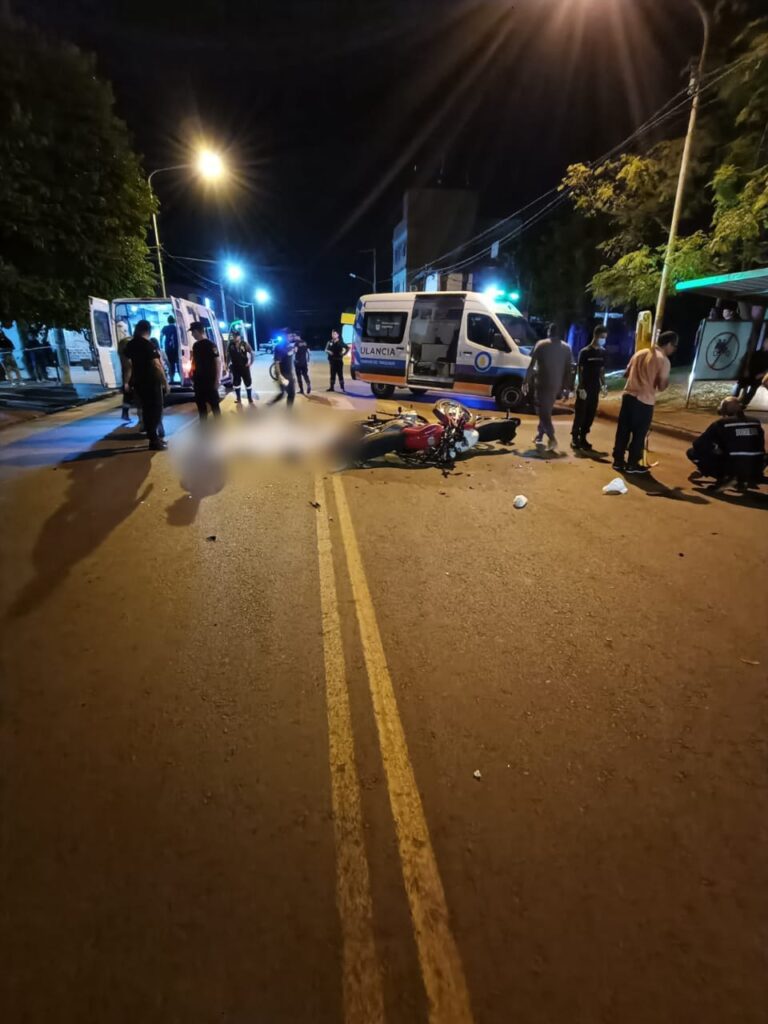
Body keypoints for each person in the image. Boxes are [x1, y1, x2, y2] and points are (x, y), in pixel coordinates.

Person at [612, 330, 678, 474]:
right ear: (668, 344)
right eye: (674, 346)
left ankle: (618, 460)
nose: (674, 349)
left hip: (628, 395)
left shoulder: (640, 353)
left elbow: (626, 374)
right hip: (644, 400)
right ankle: (632, 464)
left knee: (623, 430)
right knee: (639, 433)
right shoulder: (663, 360)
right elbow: (661, 386)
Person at [687, 396, 765, 489]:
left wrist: (715, 449)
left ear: (724, 410)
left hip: (733, 465)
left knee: (692, 452)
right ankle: (747, 477)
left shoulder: (722, 423)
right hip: (757, 466)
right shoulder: (755, 422)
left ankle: (722, 476)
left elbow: (698, 443)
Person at [524, 322, 572, 451]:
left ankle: (552, 438)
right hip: (556, 385)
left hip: (542, 383)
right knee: (546, 410)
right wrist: (567, 388)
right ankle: (540, 435)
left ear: (549, 331)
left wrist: (525, 381)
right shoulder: (566, 348)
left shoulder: (541, 344)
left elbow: (531, 365)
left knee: (543, 412)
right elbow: (569, 370)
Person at [124, 320, 168, 450]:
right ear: (148, 331)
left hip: (139, 382)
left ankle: (153, 438)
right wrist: (165, 382)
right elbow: (157, 365)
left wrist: (127, 381)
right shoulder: (148, 345)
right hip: (152, 382)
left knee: (146, 410)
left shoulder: (130, 345)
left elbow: (128, 365)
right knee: (156, 410)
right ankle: (154, 441)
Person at [571, 325, 607, 451]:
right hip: (584, 387)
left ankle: (583, 437)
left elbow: (602, 370)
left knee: (590, 414)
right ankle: (574, 438)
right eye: (602, 337)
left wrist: (604, 384)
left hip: (594, 388)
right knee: (580, 414)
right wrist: (580, 387)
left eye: (605, 337)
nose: (603, 340)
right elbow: (580, 370)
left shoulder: (602, 352)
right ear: (595, 336)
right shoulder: (585, 352)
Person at [190, 321, 221, 421]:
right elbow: (194, 361)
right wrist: (192, 374)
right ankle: (203, 426)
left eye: (192, 332)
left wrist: (217, 380)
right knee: (201, 406)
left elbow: (218, 362)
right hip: (198, 381)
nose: (192, 334)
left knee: (214, 405)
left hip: (210, 380)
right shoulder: (195, 346)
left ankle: (219, 425)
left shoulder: (211, 345)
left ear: (196, 331)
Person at [734, 338, 768, 408]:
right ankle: (734, 399)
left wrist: (762, 374)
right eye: (765, 342)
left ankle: (744, 403)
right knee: (740, 384)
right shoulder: (757, 353)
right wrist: (747, 370)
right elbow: (750, 362)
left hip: (759, 375)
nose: (766, 343)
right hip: (751, 372)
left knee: (752, 389)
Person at [227, 327, 255, 406]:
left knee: (248, 383)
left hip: (244, 367)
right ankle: (238, 398)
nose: (234, 337)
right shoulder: (230, 345)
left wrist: (250, 363)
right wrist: (226, 364)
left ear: (239, 336)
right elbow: (228, 355)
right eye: (233, 335)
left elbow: (252, 353)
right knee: (236, 384)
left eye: (236, 335)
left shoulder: (244, 344)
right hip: (235, 368)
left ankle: (250, 398)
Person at [269, 332, 296, 407]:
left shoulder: (289, 346)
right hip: (284, 374)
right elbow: (277, 363)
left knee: (284, 393)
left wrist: (292, 374)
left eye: (292, 336)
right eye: (290, 335)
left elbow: (289, 360)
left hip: (289, 373)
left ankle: (270, 404)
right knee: (291, 393)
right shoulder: (279, 347)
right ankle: (288, 411)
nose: (291, 337)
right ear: (286, 336)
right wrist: (279, 375)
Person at [161, 315, 180, 383]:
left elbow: (161, 336)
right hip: (176, 348)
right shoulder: (176, 328)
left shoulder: (165, 328)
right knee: (178, 363)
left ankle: (172, 379)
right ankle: (181, 378)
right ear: (174, 321)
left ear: (168, 321)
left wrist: (161, 344)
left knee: (170, 364)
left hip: (168, 348)